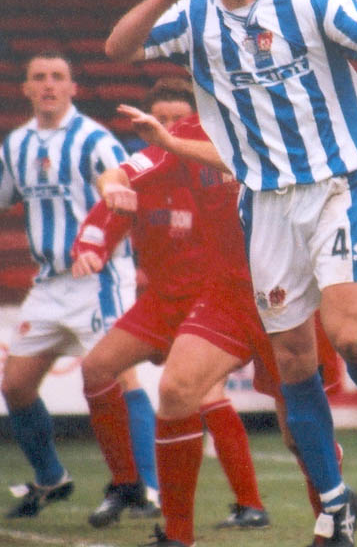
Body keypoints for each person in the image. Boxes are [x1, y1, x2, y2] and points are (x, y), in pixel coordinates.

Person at [104, 0, 357, 547]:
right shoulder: (193, 20)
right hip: (266, 203)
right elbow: (117, 47)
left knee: (347, 333)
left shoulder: (310, 3)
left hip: (336, 185)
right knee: (293, 361)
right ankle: (334, 505)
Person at [72, 105, 345, 546]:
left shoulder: (286, 118)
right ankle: (178, 536)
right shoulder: (185, 133)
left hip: (287, 292)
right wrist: (113, 188)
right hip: (228, 294)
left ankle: (333, 522)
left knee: (299, 433)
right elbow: (119, 171)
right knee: (177, 390)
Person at [72, 84, 264, 533]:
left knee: (205, 394)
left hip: (207, 300)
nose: (169, 129)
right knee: (97, 368)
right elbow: (109, 205)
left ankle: (250, 504)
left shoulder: (214, 177)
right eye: (159, 120)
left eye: (178, 119)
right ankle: (126, 484)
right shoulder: (150, 173)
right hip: (159, 303)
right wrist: (90, 248)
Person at [0, 51, 147, 519]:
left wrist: (108, 201)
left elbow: (118, 183)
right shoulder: (16, 145)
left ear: (72, 88)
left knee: (119, 380)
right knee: (16, 386)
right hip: (49, 284)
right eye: (38, 77)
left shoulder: (93, 139)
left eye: (57, 77)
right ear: (25, 89)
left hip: (99, 278)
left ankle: (142, 488)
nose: (48, 84)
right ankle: (51, 478)